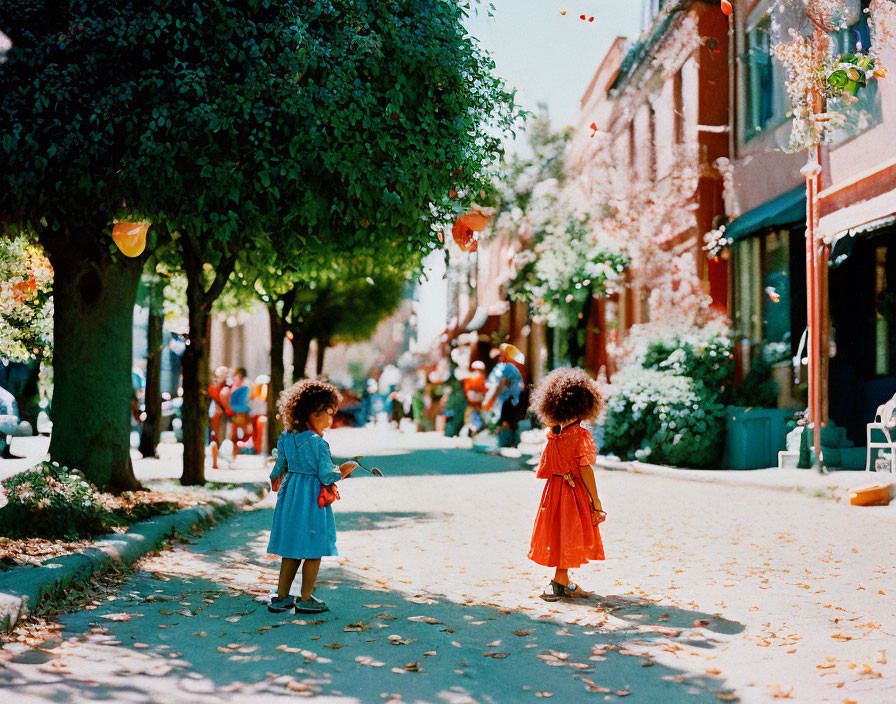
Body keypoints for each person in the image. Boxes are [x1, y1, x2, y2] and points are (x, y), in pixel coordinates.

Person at [267, 379, 358, 614]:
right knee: (312, 550)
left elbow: (279, 468)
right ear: (311, 413)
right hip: (311, 502)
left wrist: (275, 481)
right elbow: (328, 475)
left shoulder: (287, 438)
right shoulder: (319, 444)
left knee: (290, 549)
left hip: (290, 498)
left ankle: (282, 597)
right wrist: (346, 468)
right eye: (326, 414)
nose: (330, 421)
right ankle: (305, 598)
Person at [527, 367, 606, 600]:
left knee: (559, 532)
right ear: (584, 405)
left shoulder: (553, 434)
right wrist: (596, 499)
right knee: (570, 533)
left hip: (554, 491)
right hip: (573, 492)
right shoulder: (580, 435)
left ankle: (562, 581)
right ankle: (559, 580)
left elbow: (545, 467)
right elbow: (585, 468)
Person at [483, 344, 526, 446]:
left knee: (504, 422)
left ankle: (501, 442)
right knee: (508, 423)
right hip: (509, 400)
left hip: (506, 401)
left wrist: (491, 399)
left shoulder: (507, 368)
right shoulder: (509, 368)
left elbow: (501, 384)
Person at [228, 367, 252, 457]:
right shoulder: (245, 385)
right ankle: (236, 451)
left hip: (238, 412)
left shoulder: (241, 386)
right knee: (240, 432)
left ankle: (237, 451)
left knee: (236, 432)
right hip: (240, 412)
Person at [462, 360, 487, 434]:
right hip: (478, 403)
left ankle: (472, 428)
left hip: (470, 402)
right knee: (477, 416)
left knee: (470, 416)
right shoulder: (481, 378)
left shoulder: (468, 377)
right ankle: (474, 429)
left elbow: (466, 390)